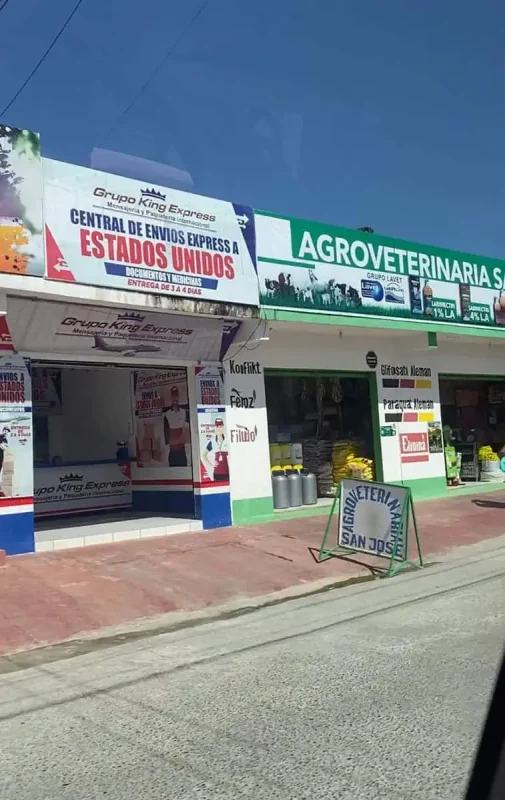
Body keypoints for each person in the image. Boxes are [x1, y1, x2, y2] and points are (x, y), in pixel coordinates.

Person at [163, 385, 188, 467]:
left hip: (181, 443)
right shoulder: (167, 414)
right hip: (172, 443)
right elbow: (165, 430)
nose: (175, 398)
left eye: (176, 395)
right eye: (173, 396)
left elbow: (186, 426)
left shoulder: (183, 412)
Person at [202, 416, 229, 482]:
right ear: (215, 427)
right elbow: (203, 455)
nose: (219, 428)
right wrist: (211, 464)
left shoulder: (227, 440)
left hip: (226, 473)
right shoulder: (212, 441)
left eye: (220, 426)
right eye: (217, 426)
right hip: (217, 473)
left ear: (223, 426)